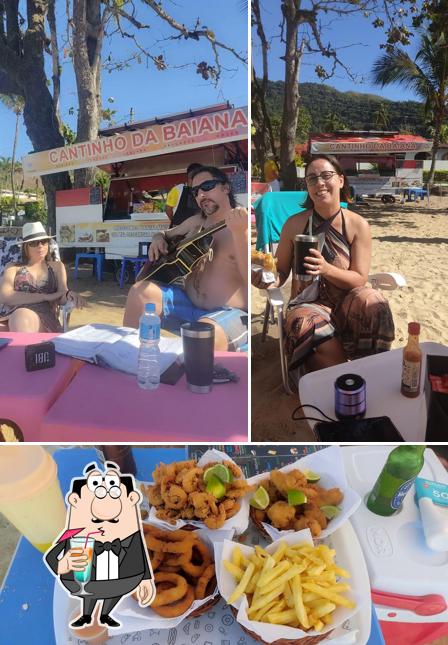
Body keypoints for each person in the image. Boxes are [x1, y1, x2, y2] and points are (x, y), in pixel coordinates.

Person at [253, 154, 395, 373]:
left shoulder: (358, 225)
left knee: (373, 300)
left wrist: (326, 268)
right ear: (307, 186)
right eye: (311, 178)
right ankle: (345, 377)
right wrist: (267, 279)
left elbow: (359, 279)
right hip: (308, 304)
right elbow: (280, 271)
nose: (319, 182)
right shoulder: (294, 224)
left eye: (326, 175)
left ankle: (373, 370)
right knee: (306, 324)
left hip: (347, 301)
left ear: (340, 180)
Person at [124, 165, 248, 351]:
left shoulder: (241, 226)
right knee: (139, 292)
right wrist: (158, 238)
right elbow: (165, 233)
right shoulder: (196, 221)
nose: (201, 195)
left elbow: (251, 278)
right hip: (187, 304)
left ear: (226, 188)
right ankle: (126, 357)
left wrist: (240, 232)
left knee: (202, 334)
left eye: (207, 186)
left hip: (228, 314)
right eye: (196, 192)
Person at [45, 461, 155, 629]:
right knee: (89, 594)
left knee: (113, 594)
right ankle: (86, 615)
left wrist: (145, 579)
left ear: (131, 500)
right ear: (75, 501)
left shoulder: (131, 536)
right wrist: (63, 565)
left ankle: (105, 614)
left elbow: (139, 554)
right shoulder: (74, 535)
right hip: (87, 581)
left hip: (121, 581)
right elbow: (53, 555)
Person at [0, 221, 85, 332]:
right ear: (26, 247)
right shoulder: (12, 267)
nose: (40, 246)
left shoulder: (57, 267)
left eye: (44, 241)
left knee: (21, 318)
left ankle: (26, 349)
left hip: (43, 318)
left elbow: (61, 296)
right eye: (34, 243)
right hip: (11, 316)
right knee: (17, 319)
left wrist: (69, 294)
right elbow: (5, 297)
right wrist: (45, 297)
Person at [164, 162, 203, 227]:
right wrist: (176, 223)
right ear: (190, 177)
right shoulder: (177, 189)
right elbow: (168, 209)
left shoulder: (202, 190)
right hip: (178, 229)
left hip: (196, 229)